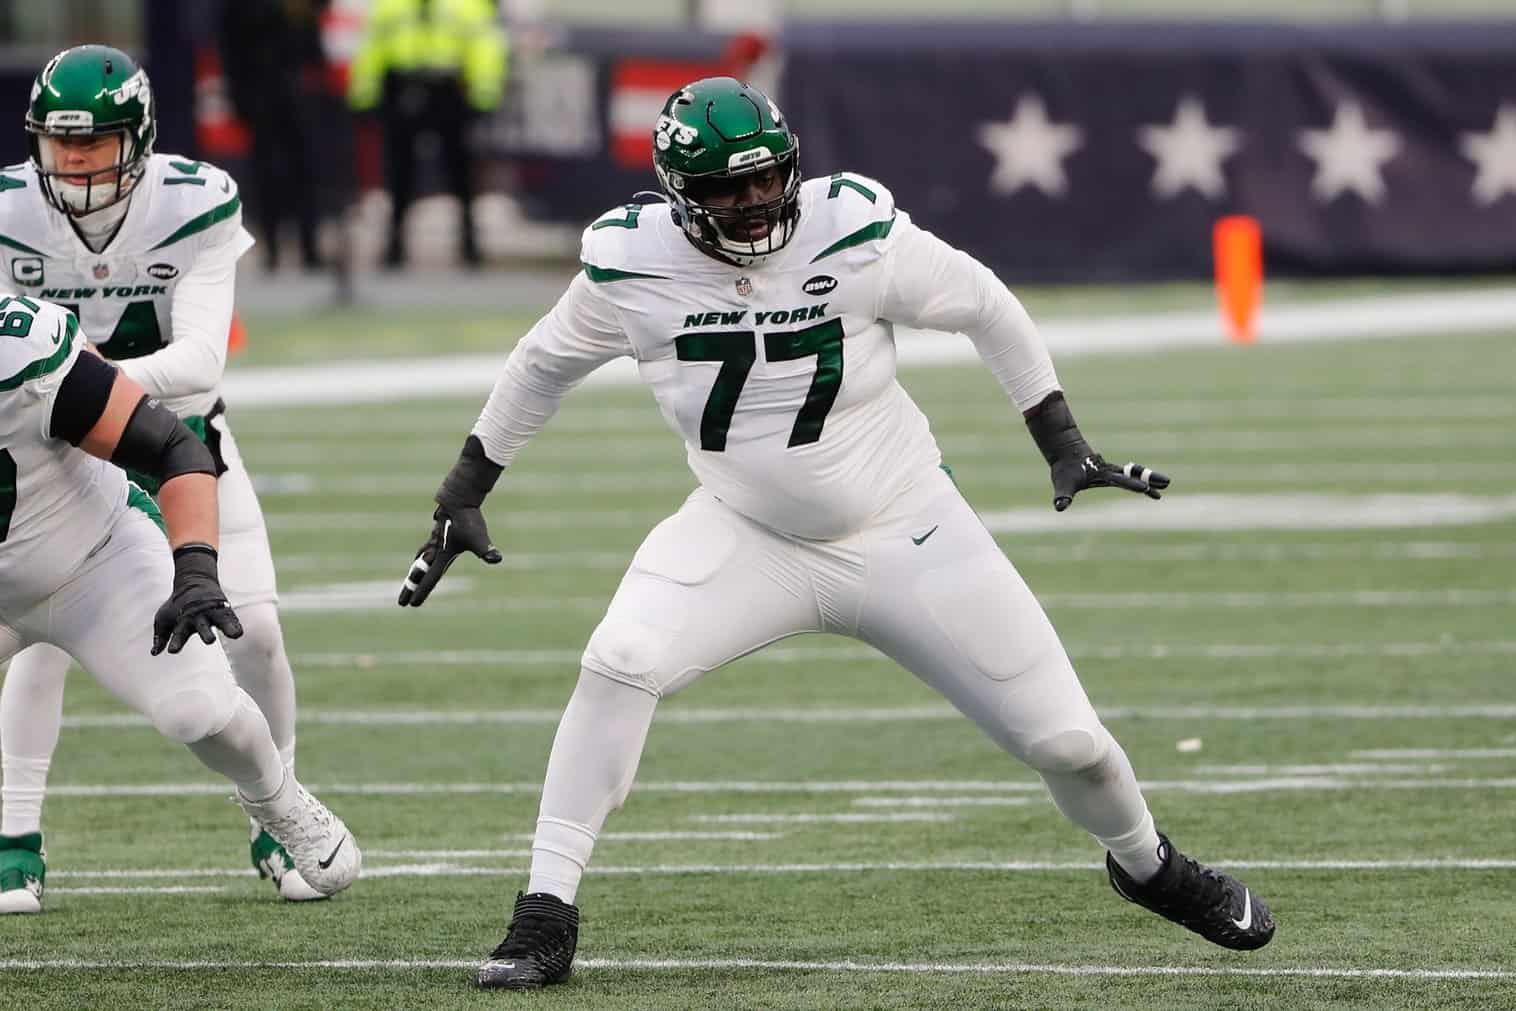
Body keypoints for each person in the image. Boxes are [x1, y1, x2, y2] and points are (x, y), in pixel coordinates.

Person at [397, 77, 1278, 990]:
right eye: (725, 191)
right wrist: (466, 486)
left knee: (1071, 746)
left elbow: (983, 302)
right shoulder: (631, 265)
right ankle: (545, 912)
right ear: (676, 194)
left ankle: (1148, 865)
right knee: (619, 658)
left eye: (765, 181)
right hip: (746, 529)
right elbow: (541, 365)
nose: (752, 205)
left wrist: (1060, 439)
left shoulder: (851, 232)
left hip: (907, 524)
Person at [0, 45, 320, 908]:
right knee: (40, 624)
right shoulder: (6, 209)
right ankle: (15, 838)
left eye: (94, 143)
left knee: (256, 634)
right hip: (56, 453)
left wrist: (72, 373)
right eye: (59, 144)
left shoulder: (196, 200)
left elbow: (206, 359)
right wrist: (57, 387)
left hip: (184, 439)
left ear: (137, 140)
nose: (73, 162)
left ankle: (277, 812)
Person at [0, 296, 361, 914]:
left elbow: (174, 448)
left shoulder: (22, 353)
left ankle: (279, 804)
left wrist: (194, 567)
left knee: (195, 711)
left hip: (98, 561)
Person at [347, 0, 508, 268]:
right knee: (399, 172)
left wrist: (484, 92)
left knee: (460, 173)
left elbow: (485, 45)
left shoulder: (469, 5)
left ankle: (469, 244)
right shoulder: (389, 5)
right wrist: (364, 95)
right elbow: (370, 46)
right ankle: (394, 245)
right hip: (402, 86)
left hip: (448, 87)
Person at [218, 0, 331, 272]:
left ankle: (309, 247)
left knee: (305, 170)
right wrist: (237, 96)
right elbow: (231, 43)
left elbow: (314, 26)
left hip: (298, 89)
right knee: (266, 173)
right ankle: (273, 248)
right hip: (259, 90)